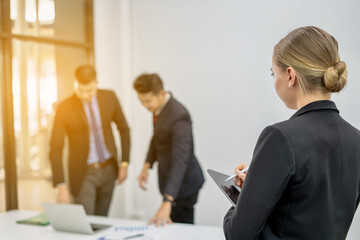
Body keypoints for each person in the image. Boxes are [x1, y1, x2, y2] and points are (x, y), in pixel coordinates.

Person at [223, 26, 360, 239]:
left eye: (272, 73)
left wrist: (242, 197)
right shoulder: (357, 140)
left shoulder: (280, 137)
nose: (274, 81)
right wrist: (258, 184)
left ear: (290, 75)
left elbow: (239, 233)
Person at [49, 65, 130, 216]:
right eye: (81, 90)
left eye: (89, 91)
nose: (85, 95)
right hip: (83, 174)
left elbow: (124, 129)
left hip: (109, 170)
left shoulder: (109, 97)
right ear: (75, 84)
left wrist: (124, 163)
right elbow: (55, 148)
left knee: (102, 221)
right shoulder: (64, 108)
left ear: (96, 83)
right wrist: (61, 185)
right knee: (86, 223)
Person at [133, 73, 204, 226]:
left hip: (184, 185)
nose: (145, 106)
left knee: (182, 230)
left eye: (148, 101)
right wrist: (147, 165)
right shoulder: (158, 108)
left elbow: (180, 160)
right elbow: (157, 137)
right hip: (171, 183)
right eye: (141, 101)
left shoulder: (179, 115)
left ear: (161, 94)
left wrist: (167, 200)